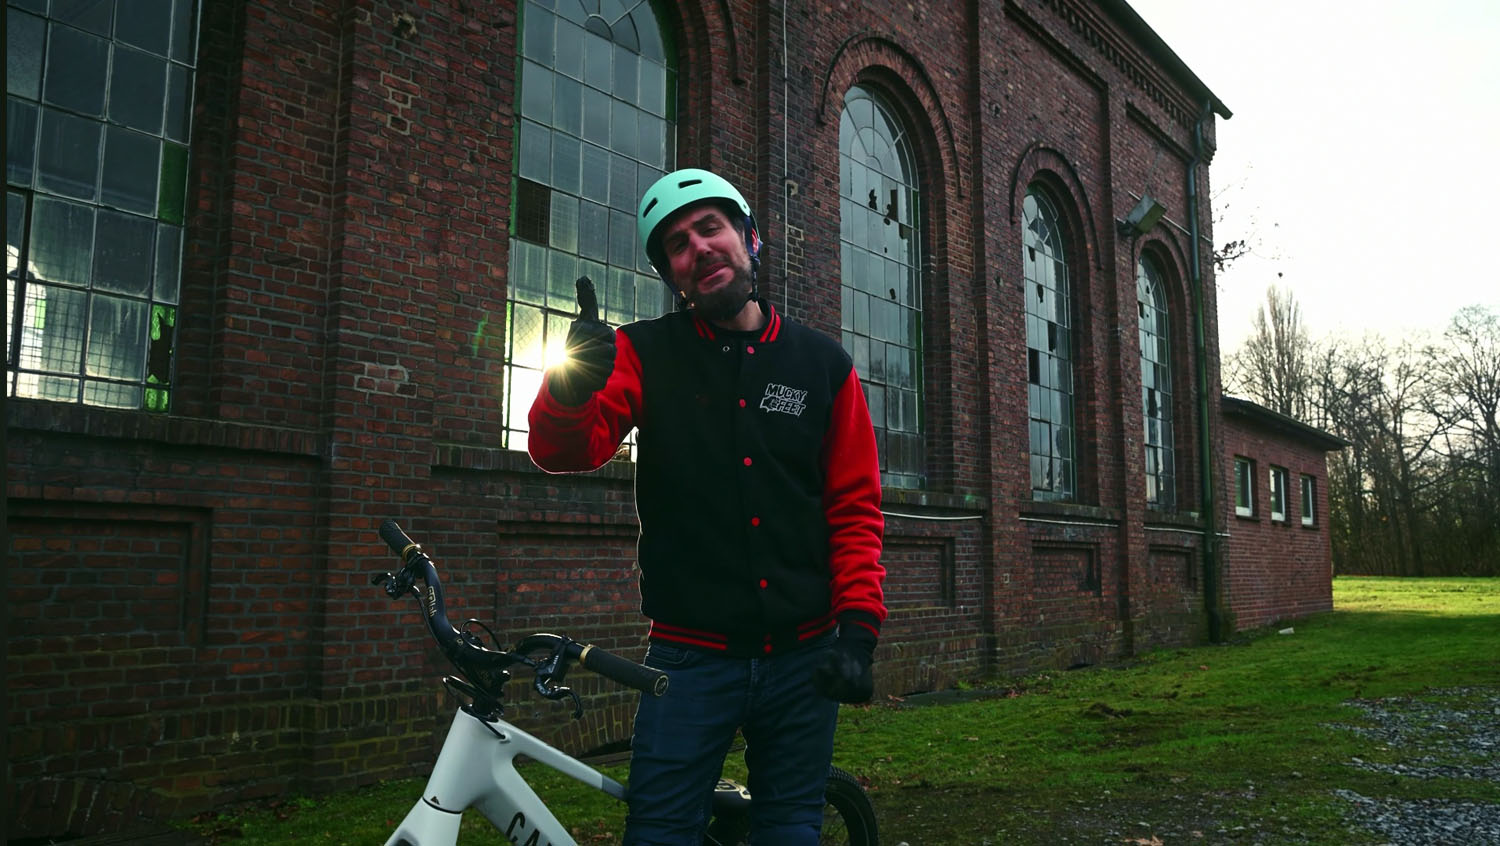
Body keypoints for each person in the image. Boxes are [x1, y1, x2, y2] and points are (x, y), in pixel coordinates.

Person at [527, 168, 886, 846]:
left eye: (710, 228)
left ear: (750, 237)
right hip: (688, 665)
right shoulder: (639, 353)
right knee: (660, 830)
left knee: (789, 828)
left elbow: (854, 508)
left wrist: (858, 632)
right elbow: (562, 450)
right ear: (675, 276)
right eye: (678, 246)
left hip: (803, 657)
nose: (698, 248)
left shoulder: (824, 366)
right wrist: (571, 386)